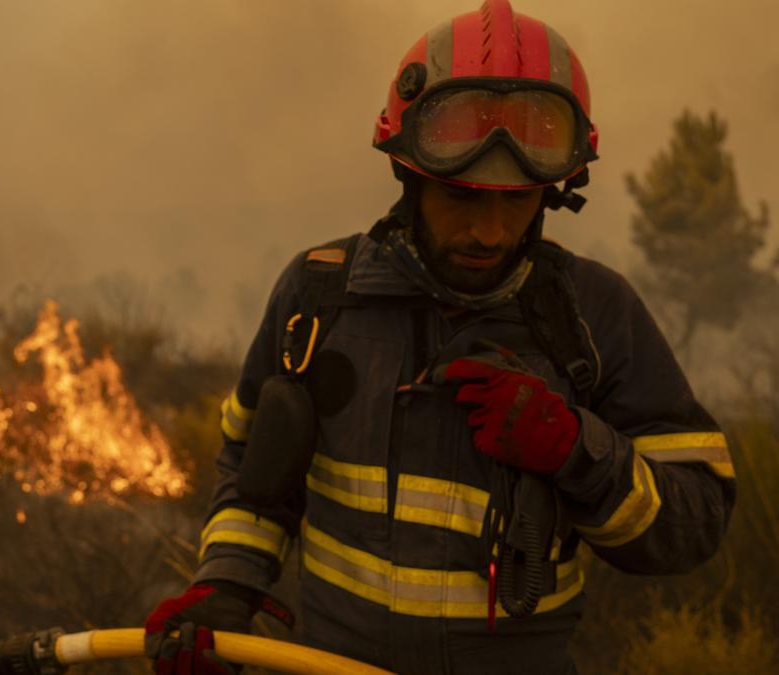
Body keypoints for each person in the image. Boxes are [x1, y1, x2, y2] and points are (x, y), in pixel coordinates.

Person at [143, 1, 737, 673]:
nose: (489, 231)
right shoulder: (318, 299)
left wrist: (577, 450)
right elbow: (251, 474)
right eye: (463, 197)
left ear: (553, 192)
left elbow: (697, 520)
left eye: (516, 200)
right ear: (410, 175)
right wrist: (226, 586)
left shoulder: (593, 317)